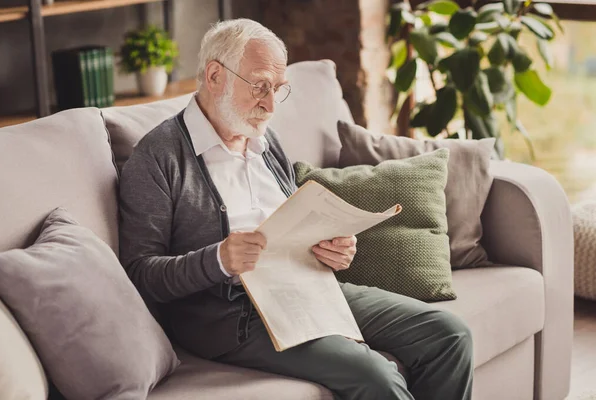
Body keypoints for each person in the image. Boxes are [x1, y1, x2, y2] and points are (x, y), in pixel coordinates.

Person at [119, 18, 473, 400]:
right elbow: (140, 274)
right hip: (233, 316)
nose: (271, 104)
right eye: (260, 86)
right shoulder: (158, 156)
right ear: (215, 75)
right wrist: (219, 259)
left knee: (449, 336)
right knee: (375, 376)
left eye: (278, 89)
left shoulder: (264, 139)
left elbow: (291, 223)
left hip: (305, 287)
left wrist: (332, 250)